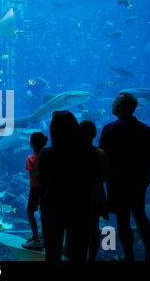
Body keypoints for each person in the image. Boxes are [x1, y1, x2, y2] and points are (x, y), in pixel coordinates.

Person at [99, 93, 150, 261]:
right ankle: (149, 252)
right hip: (139, 179)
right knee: (140, 214)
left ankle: (129, 255)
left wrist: (105, 177)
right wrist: (146, 176)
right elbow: (149, 156)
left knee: (123, 219)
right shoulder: (146, 130)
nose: (112, 105)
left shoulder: (110, 129)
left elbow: (104, 156)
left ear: (120, 107)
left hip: (117, 180)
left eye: (115, 103)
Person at [37, 111, 97, 262]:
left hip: (52, 207)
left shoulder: (46, 153)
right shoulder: (89, 153)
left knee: (52, 251)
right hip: (80, 207)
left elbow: (41, 180)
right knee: (78, 252)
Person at [79, 120, 110, 261]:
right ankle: (91, 258)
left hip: (77, 195)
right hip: (96, 194)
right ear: (94, 134)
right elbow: (106, 176)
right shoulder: (101, 153)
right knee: (94, 228)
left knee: (77, 228)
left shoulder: (72, 154)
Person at [22, 132, 48, 251]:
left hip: (35, 188)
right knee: (44, 212)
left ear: (31, 144)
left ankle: (36, 239)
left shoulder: (30, 158)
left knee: (30, 211)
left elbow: (33, 175)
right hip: (46, 188)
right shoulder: (46, 156)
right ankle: (44, 237)